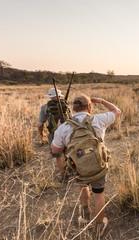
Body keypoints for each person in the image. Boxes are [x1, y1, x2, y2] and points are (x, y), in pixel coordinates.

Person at [51, 94, 121, 236]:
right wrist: (100, 100)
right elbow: (117, 111)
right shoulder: (99, 119)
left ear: (73, 109)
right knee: (98, 194)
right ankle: (99, 227)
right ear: (89, 107)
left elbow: (55, 150)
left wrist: (59, 129)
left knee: (82, 187)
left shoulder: (64, 127)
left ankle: (84, 216)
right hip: (98, 166)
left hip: (78, 167)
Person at [37, 88, 70, 179]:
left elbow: (39, 124)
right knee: (67, 151)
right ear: (60, 96)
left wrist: (41, 133)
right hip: (67, 133)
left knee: (58, 155)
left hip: (54, 134)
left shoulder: (45, 107)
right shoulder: (66, 106)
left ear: (50, 97)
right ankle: (69, 166)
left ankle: (63, 174)